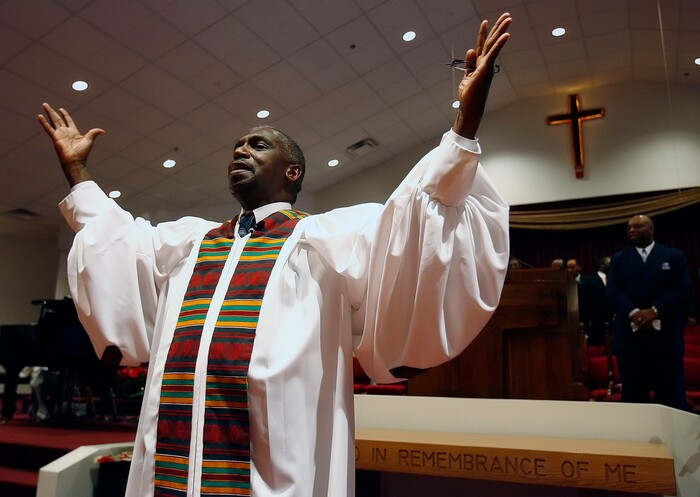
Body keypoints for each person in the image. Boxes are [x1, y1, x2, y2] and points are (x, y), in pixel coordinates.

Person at [38, 13, 512, 497]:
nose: (240, 151)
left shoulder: (327, 239)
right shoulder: (192, 242)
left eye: (257, 145)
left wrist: (463, 126)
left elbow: (412, 229)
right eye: (237, 146)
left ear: (292, 172)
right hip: (175, 463)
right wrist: (79, 175)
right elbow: (118, 242)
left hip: (276, 463)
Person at [607, 215, 691, 410]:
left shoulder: (674, 256)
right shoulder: (618, 259)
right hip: (631, 339)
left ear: (651, 230)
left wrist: (654, 311)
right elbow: (612, 290)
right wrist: (634, 311)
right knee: (634, 397)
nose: (631, 230)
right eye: (629, 227)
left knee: (670, 394)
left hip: (666, 338)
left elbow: (681, 289)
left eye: (638, 226)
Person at [578, 256, 612, 346]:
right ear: (602, 266)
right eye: (609, 264)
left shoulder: (614, 279)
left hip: (613, 321)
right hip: (596, 321)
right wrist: (586, 320)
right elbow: (584, 302)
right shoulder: (589, 280)